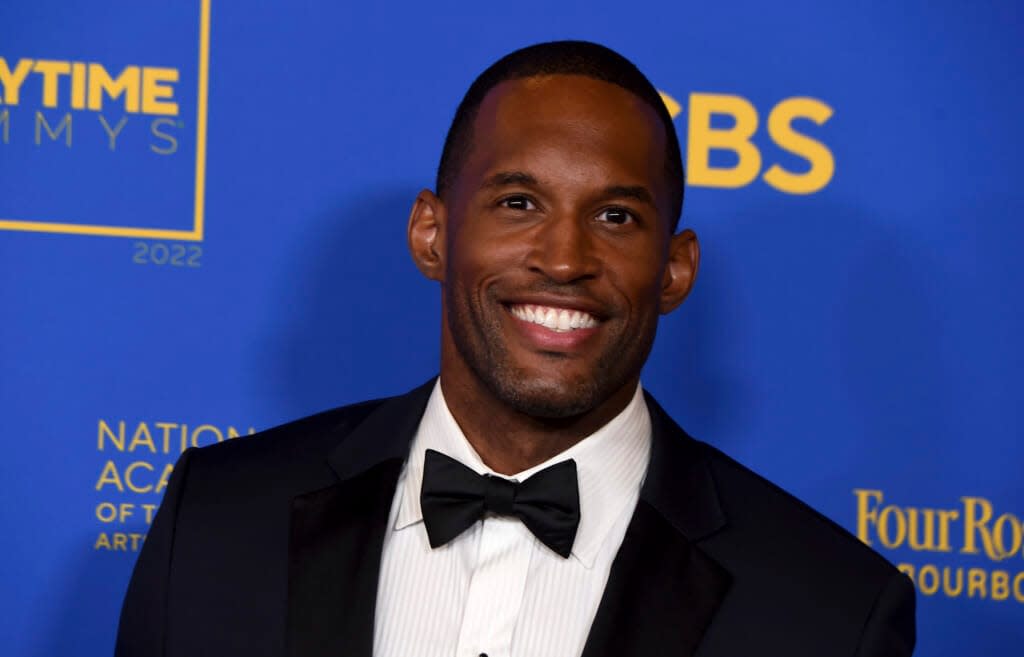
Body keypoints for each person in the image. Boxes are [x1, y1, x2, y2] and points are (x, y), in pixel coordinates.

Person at [115, 40, 915, 657]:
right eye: (519, 201)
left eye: (616, 218)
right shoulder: (220, 520)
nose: (564, 259)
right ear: (432, 234)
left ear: (674, 270)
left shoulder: (827, 610)